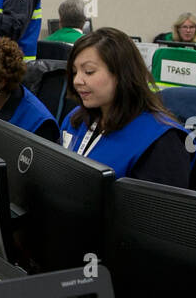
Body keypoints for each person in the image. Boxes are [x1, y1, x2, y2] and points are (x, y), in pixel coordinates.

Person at [61, 28, 189, 185]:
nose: (77, 81)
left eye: (89, 72)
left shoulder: (162, 141)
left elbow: (158, 208)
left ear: (121, 74)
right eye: (74, 72)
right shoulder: (76, 118)